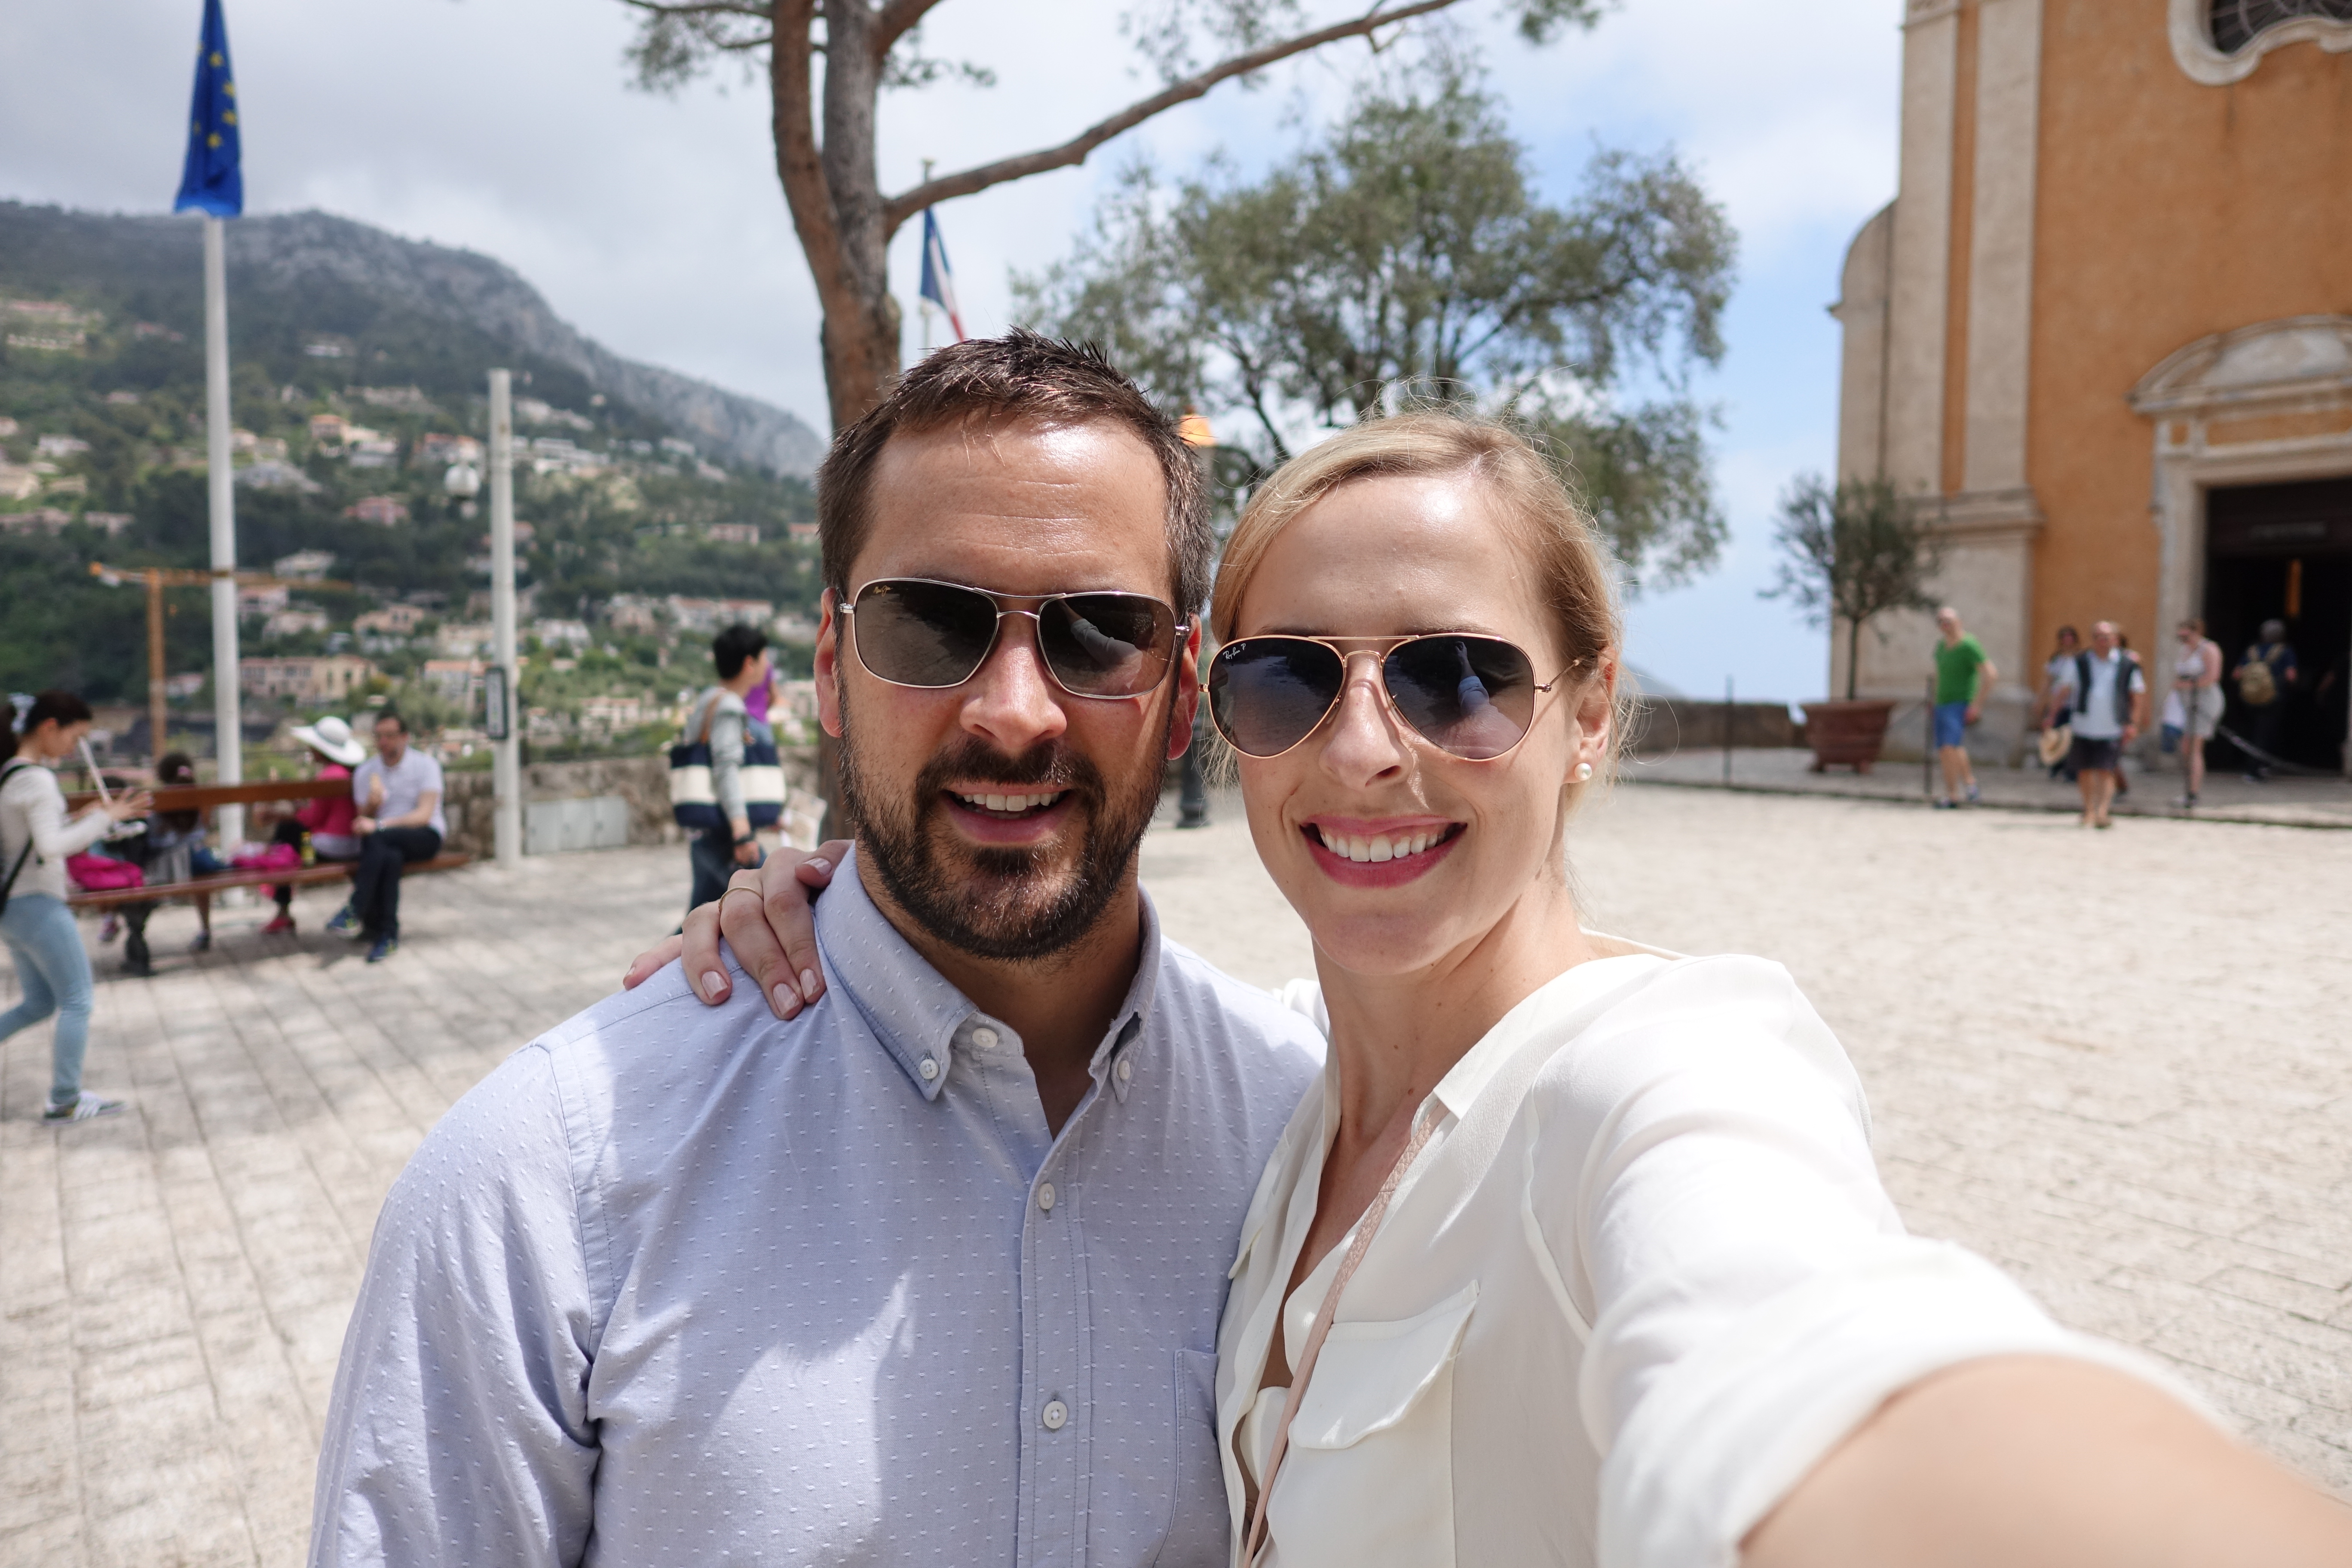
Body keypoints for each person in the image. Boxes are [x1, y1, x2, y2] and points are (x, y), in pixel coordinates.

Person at [685, 410, 2352, 1567]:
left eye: (1457, 675)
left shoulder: (1661, 1076)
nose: (1364, 750)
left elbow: (1805, 1355)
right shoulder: (1282, 1093)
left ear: (1593, 708)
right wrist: (843, 911)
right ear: (1223, 716)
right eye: (1288, 679)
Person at [309, 334, 1324, 1565]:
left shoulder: (1306, 1129)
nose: (1012, 711)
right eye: (933, 625)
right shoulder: (543, 1187)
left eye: (1098, 632)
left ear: (1179, 689)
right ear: (830, 670)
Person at [0, 690, 150, 1122]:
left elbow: (31, 838)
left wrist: (89, 817)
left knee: (38, 1003)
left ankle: (66, 1095)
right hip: (37, 905)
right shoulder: (37, 780)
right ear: (50, 727)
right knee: (78, 1000)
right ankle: (64, 1098)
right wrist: (103, 819)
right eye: (75, 737)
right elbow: (50, 847)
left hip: (13, 910)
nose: (75, 748)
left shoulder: (11, 772)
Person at [328, 711, 442, 964]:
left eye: (390, 736)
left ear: (405, 737)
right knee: (389, 855)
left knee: (380, 839)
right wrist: (371, 805)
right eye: (379, 737)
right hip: (385, 841)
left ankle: (355, 909)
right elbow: (362, 819)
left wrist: (380, 824)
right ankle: (387, 935)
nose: (383, 743)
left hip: (423, 836)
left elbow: (424, 815)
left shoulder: (425, 766)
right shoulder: (367, 772)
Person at [680, 622, 770, 918]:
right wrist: (743, 834)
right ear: (749, 664)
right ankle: (652, 966)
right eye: (764, 658)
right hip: (724, 834)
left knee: (698, 922)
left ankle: (655, 966)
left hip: (704, 831)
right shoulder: (729, 706)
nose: (767, 666)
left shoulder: (709, 699)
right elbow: (726, 768)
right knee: (776, 895)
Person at [261, 716, 367, 935]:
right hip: (355, 844)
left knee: (285, 836)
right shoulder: (349, 773)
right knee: (289, 831)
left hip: (331, 847)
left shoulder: (327, 777)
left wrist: (287, 810)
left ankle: (283, 910)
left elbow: (310, 821)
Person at [116, 751, 214, 976]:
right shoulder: (199, 794)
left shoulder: (159, 800)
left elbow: (154, 839)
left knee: (139, 877)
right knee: (201, 882)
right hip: (200, 862)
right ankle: (206, 930)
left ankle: (131, 936)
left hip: (170, 869)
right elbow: (204, 829)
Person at [2051, 621, 2147, 829]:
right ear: (2093, 639)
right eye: (2098, 637)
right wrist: (2051, 716)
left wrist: (2133, 723)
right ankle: (2088, 810)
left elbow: (2137, 695)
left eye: (2107, 637)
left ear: (2115, 639)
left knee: (2106, 770)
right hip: (2083, 723)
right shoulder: (2079, 662)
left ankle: (2103, 811)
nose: (2103, 641)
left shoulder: (2127, 664)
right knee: (2084, 770)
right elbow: (2064, 690)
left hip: (2113, 725)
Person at [1929, 605, 1995, 808]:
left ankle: (1969, 784)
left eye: (1948, 620)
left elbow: (1990, 674)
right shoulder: (1941, 647)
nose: (1945, 624)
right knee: (1944, 750)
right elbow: (1939, 676)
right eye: (1941, 621)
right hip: (1941, 703)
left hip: (1960, 703)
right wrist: (1933, 700)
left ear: (1959, 622)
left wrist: (1976, 705)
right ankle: (1953, 793)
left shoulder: (1969, 645)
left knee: (1952, 745)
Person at [2168, 617, 2224, 808]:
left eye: (2186, 633)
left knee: (2194, 747)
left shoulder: (2209, 649)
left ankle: (2193, 793)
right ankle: (2190, 790)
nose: (2182, 637)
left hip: (2204, 702)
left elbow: (2212, 677)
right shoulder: (2184, 650)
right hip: (2186, 702)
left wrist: (2184, 685)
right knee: (2186, 747)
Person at [2233, 617, 2298, 780]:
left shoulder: (2252, 651)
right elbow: (2292, 676)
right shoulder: (2285, 651)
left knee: (2252, 732)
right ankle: (2256, 769)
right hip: (2273, 699)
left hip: (2250, 700)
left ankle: (2250, 766)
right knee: (2265, 734)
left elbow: (2236, 674)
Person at [2036, 623, 2082, 780]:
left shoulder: (2079, 659)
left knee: (2070, 738)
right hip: (2057, 702)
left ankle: (2070, 768)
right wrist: (2041, 701)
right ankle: (2055, 765)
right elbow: (2048, 682)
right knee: (2055, 736)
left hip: (2073, 704)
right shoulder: (2056, 660)